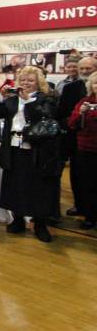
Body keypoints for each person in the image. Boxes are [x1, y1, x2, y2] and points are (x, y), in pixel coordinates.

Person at [0, 66, 59, 242]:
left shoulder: (46, 99)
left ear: (38, 82)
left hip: (36, 152)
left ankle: (39, 224)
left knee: (38, 188)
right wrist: (2, 97)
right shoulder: (13, 99)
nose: (26, 83)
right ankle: (17, 220)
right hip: (14, 149)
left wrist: (28, 103)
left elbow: (46, 117)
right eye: (23, 80)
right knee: (15, 186)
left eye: (30, 81)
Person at [57, 56, 97, 218]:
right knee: (78, 177)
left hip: (92, 142)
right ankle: (80, 205)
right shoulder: (71, 88)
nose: (85, 71)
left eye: (89, 68)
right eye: (83, 69)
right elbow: (62, 114)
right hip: (75, 141)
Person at [68, 71, 97, 230]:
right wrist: (81, 113)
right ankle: (90, 215)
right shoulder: (84, 102)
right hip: (86, 149)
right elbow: (72, 123)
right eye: (95, 83)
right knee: (88, 184)